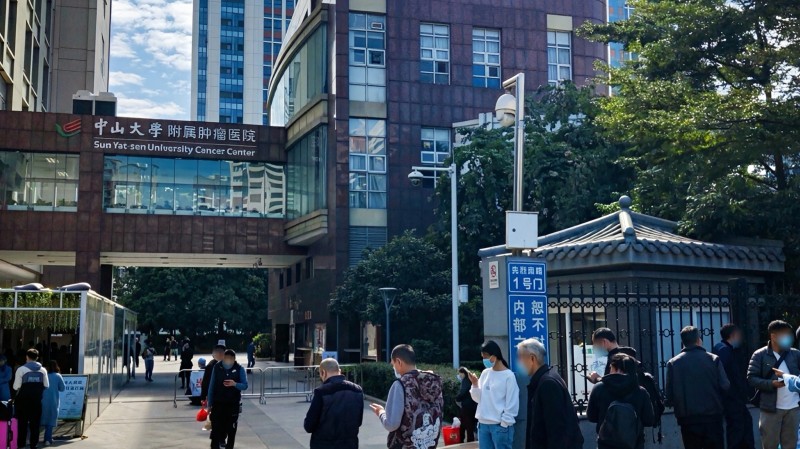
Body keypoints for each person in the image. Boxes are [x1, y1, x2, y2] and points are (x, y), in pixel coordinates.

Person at [666, 325, 729, 449]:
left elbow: (669, 394)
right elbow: (725, 385)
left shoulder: (673, 363)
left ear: (683, 342)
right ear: (698, 340)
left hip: (687, 419)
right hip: (712, 416)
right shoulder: (713, 359)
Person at [369, 344, 443, 449]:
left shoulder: (400, 385)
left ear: (399, 362)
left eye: (393, 364)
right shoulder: (433, 382)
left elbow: (392, 424)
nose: (393, 367)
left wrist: (381, 413)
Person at [515, 337, 582, 449]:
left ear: (532, 358)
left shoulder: (548, 384)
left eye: (520, 358)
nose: (518, 362)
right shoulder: (544, 379)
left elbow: (557, 430)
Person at [747, 319, 800, 449]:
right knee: (770, 444)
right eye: (785, 334)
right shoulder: (760, 355)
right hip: (771, 408)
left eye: (790, 334)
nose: (789, 338)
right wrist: (771, 384)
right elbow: (751, 378)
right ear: (774, 336)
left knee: (790, 444)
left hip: (793, 408)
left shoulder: (795, 353)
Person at [587, 353, 654, 449]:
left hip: (606, 444)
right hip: (634, 444)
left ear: (617, 369)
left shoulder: (599, 388)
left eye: (611, 368)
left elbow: (592, 417)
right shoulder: (641, 392)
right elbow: (649, 420)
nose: (609, 371)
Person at [468, 340, 519, 449]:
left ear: (494, 356)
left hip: (499, 427)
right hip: (483, 425)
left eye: (486, 356)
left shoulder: (509, 376)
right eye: (482, 357)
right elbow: (478, 399)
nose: (484, 360)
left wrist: (504, 424)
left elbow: (512, 404)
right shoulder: (485, 373)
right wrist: (475, 384)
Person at [303, 358, 364, 449]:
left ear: (323, 372)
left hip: (324, 444)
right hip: (350, 444)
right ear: (339, 371)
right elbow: (358, 421)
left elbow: (309, 425)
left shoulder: (321, 392)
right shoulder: (357, 390)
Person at [712, 323, 755, 449]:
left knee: (742, 426)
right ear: (733, 335)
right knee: (738, 429)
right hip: (732, 398)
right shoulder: (725, 351)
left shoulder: (720, 348)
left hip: (731, 397)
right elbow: (726, 374)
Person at [207, 349, 248, 449]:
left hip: (232, 404)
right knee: (216, 429)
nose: (228, 360)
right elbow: (211, 386)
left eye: (231, 359)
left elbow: (245, 385)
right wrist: (209, 405)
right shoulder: (217, 367)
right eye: (226, 358)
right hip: (218, 403)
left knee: (231, 430)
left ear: (234, 359)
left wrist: (235, 384)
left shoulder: (239, 368)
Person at [13, 348, 50, 449]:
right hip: (36, 401)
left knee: (22, 424)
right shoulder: (43, 370)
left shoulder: (21, 369)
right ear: (37, 357)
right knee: (35, 424)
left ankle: (21, 444)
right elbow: (46, 385)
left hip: (22, 402)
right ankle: (34, 444)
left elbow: (16, 387)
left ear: (27, 357)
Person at [41, 361, 65, 446]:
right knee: (51, 420)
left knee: (42, 419)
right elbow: (62, 388)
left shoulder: (43, 375)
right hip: (53, 400)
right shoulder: (58, 376)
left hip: (42, 400)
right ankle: (47, 439)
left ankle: (41, 438)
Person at [455, 367, 477, 443]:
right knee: (467, 424)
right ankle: (467, 440)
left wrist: (457, 398)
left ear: (463, 373)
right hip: (472, 406)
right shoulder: (470, 379)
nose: (459, 375)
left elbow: (463, 392)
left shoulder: (466, 381)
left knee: (466, 425)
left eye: (459, 373)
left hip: (467, 406)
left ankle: (466, 441)